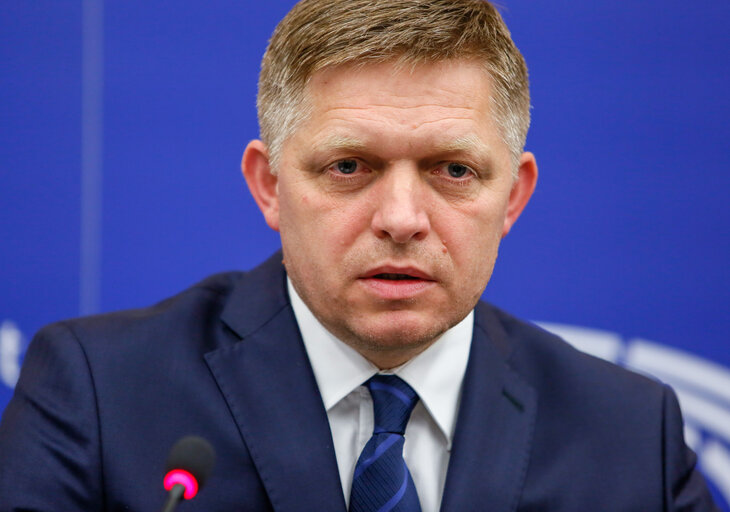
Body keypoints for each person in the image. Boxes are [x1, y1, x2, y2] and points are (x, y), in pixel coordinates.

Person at [0, 0, 720, 510]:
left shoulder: (628, 435)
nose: (402, 219)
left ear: (514, 196)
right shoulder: (99, 393)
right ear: (270, 185)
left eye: (453, 170)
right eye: (348, 167)